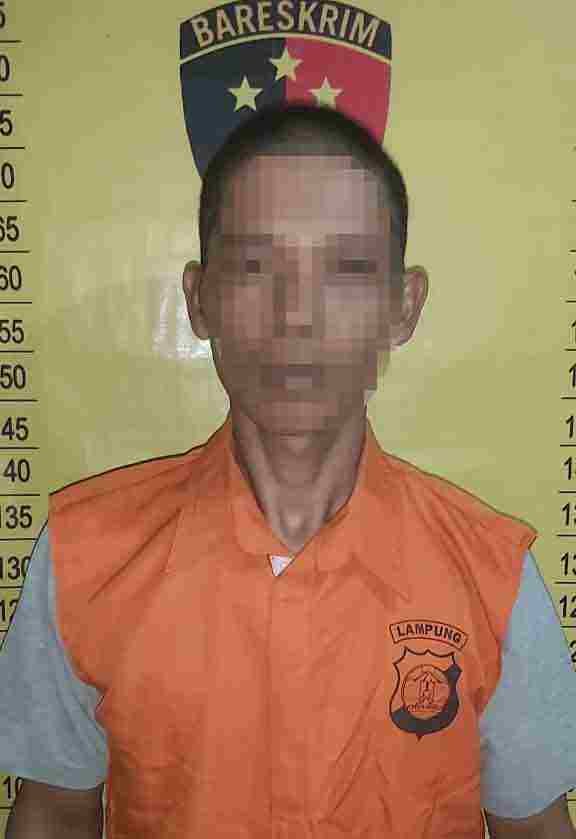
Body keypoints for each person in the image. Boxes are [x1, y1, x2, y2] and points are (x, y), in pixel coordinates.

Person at [1, 103, 576, 839]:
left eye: (347, 269)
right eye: (254, 266)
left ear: (402, 307)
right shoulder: (86, 561)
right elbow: (53, 815)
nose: (297, 316)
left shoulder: (492, 581)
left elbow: (537, 829)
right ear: (199, 299)